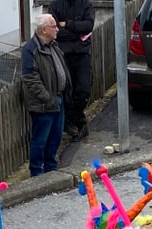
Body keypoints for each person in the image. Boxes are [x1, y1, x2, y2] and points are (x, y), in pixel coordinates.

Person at [21, 14, 69, 177]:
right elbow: (30, 79)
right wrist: (48, 99)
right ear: (43, 30)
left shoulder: (52, 45)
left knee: (55, 137)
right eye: (53, 26)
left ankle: (51, 170)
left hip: (58, 98)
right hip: (43, 104)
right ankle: (36, 173)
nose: (57, 29)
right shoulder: (30, 50)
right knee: (40, 140)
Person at [49, 0, 95, 142]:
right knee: (67, 92)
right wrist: (77, 33)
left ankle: (71, 122)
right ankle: (79, 125)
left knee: (83, 90)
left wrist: (67, 24)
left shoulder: (85, 4)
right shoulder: (55, 5)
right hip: (63, 55)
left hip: (81, 54)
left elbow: (88, 26)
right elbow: (56, 32)